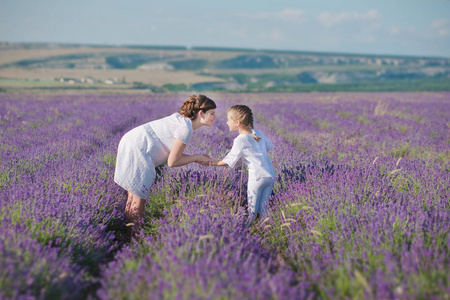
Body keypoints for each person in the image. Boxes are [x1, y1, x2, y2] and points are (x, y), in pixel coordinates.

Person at [114, 94, 216, 236]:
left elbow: (174, 156)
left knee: (132, 197)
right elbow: (172, 162)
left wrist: (196, 158)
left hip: (132, 141)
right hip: (139, 148)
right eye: (212, 113)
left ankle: (128, 235)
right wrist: (196, 157)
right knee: (138, 198)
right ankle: (135, 239)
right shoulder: (185, 129)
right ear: (201, 113)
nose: (214, 117)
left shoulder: (183, 122)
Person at [208, 104, 275, 224]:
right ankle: (268, 232)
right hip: (270, 175)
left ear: (237, 122)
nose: (227, 122)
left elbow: (229, 160)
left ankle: (247, 232)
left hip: (257, 178)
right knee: (264, 211)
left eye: (229, 119)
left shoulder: (240, 140)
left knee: (252, 212)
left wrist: (212, 163)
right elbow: (269, 147)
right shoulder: (257, 132)